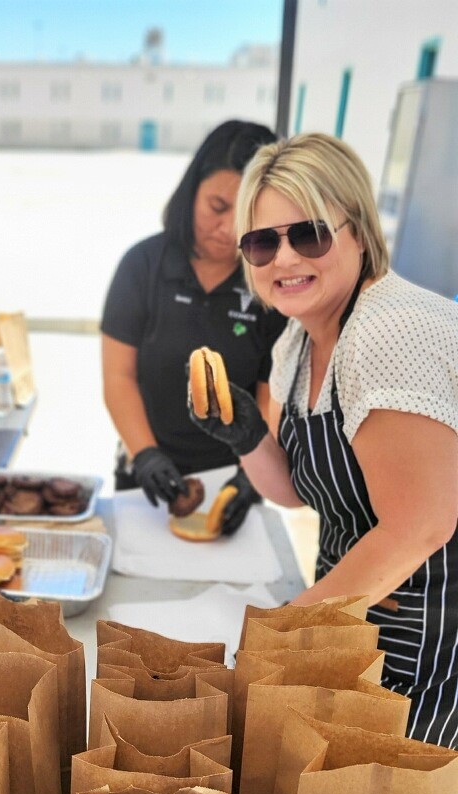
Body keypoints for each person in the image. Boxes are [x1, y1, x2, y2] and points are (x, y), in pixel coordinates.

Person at [191, 131, 458, 747]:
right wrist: (247, 437)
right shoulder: (299, 341)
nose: (283, 259)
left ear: (358, 231)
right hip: (350, 623)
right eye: (262, 243)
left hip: (428, 646)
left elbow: (421, 525)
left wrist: (286, 629)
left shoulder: (389, 331)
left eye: (308, 235)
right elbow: (297, 490)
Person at [100, 120, 286, 534]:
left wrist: (252, 475)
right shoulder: (142, 266)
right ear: (191, 192)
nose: (229, 229)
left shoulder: (271, 284)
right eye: (217, 207)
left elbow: (270, 396)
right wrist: (145, 454)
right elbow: (118, 376)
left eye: (246, 214)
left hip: (234, 475)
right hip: (145, 470)